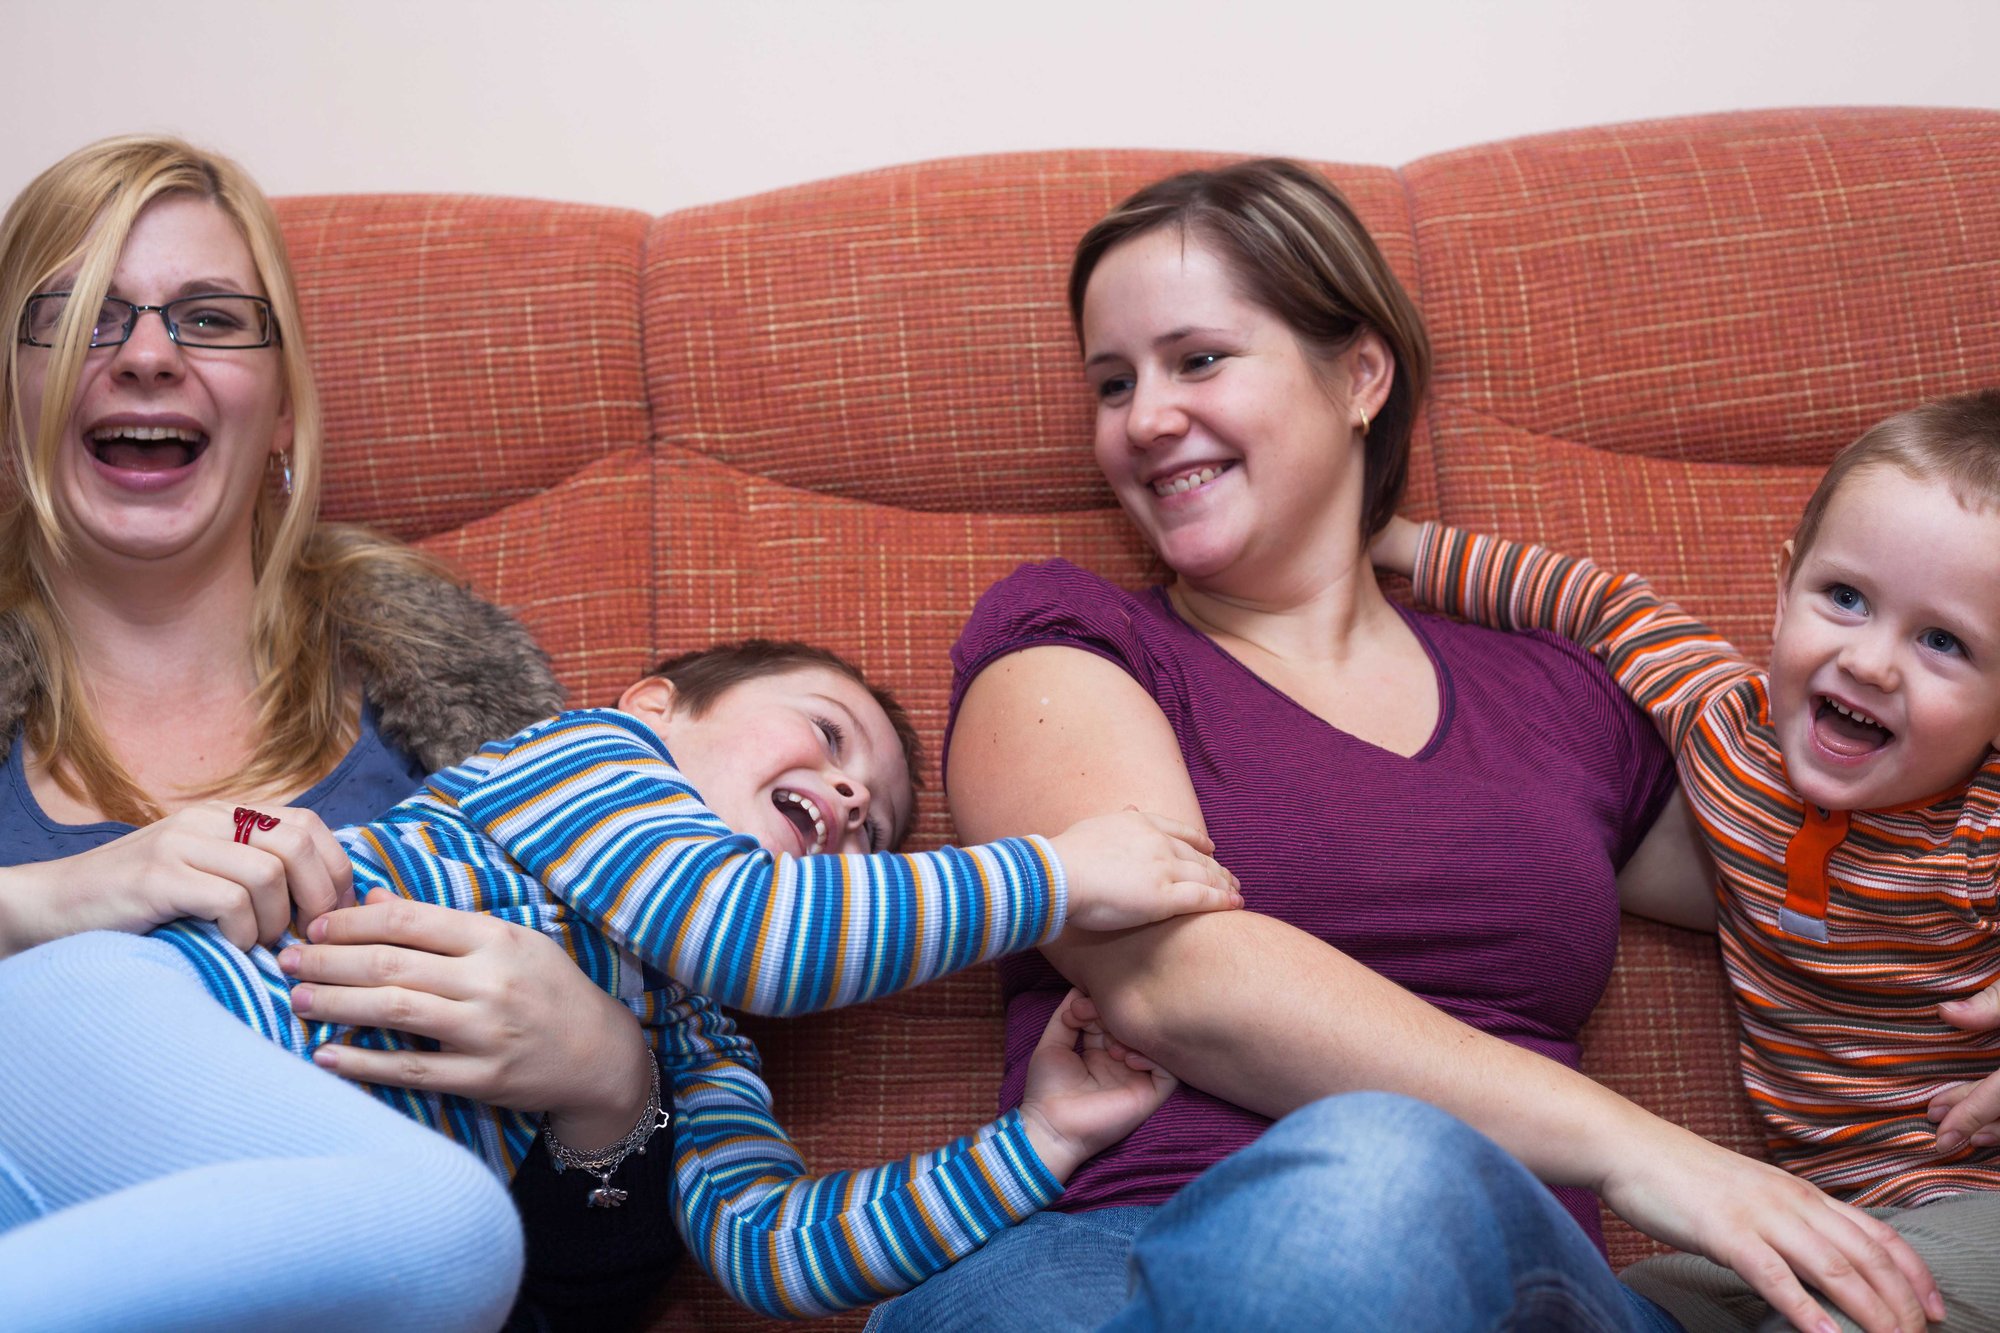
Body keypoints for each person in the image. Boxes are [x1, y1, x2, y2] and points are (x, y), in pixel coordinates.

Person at [869, 159, 1945, 1333]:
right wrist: (1652, 1158)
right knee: (1370, 1172)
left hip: (1513, 1285)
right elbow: (1174, 980)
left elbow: (1838, 889)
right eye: (1112, 382)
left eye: (1198, 359)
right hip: (1112, 1267)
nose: (1144, 418)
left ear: (1359, 374)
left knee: (1402, 1182)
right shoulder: (1071, 644)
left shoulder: (1555, 694)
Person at [0, 135, 674, 1330]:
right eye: (81, 317)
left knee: (454, 1233)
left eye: (208, 317)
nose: (148, 355)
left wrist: (607, 1090)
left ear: (285, 410)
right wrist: (43, 904)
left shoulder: (485, 749)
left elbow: (581, 1302)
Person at [125, 636, 1234, 1318]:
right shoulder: (580, 764)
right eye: (825, 734)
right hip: (165, 1036)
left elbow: (774, 1252)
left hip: (289, 1221)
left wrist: (1039, 1139)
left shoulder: (698, 1036)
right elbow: (747, 928)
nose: (850, 802)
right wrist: (1058, 872)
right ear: (652, 704)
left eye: (876, 832)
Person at [1369, 388, 2000, 1331]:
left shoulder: (1980, 825)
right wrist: (1396, 544)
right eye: (1844, 598)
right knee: (1616, 1304)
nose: (1870, 661)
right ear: (1783, 589)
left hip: (1980, 1206)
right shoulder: (1721, 724)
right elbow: (1596, 602)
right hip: (1821, 1220)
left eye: (1942, 641)